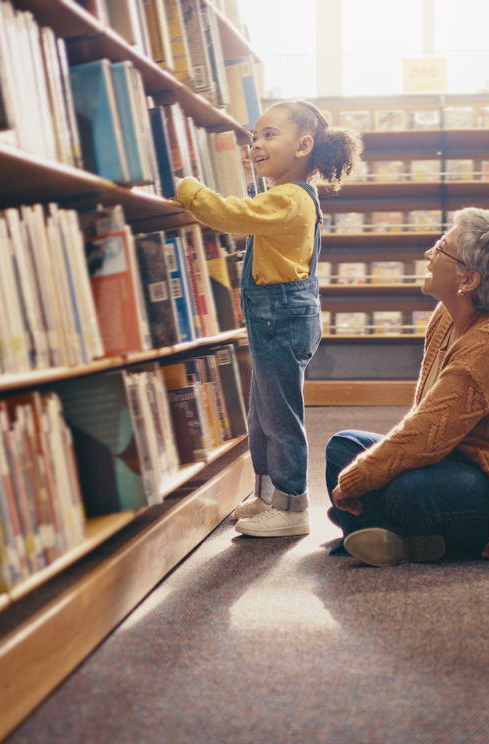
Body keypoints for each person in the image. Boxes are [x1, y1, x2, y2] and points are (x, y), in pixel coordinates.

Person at [325, 208, 489, 566]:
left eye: (440, 248)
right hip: (465, 461)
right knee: (343, 446)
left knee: (406, 490)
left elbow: (424, 435)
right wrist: (367, 473)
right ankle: (395, 537)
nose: (428, 255)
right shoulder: (449, 314)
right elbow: (427, 423)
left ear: (469, 280)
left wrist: (360, 482)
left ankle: (385, 532)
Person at [175, 100, 362, 538]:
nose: (255, 144)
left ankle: (293, 505)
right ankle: (269, 497)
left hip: (282, 320)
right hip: (277, 319)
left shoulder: (288, 199)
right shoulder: (289, 196)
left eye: (268, 135)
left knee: (279, 416)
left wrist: (189, 191)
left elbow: (231, 216)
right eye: (253, 137)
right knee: (263, 414)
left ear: (303, 146)